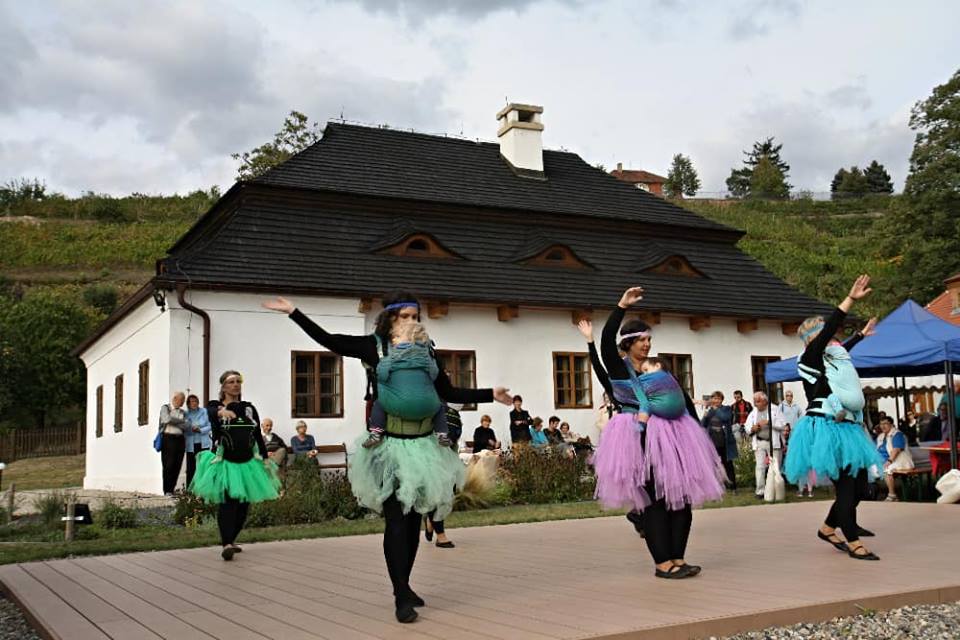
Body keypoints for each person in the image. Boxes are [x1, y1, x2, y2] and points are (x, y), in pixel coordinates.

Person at [264, 292, 511, 623]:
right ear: (391, 318)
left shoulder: (427, 350)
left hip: (423, 447)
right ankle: (400, 596)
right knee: (396, 520)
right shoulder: (374, 346)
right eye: (405, 316)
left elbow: (447, 392)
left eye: (416, 316)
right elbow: (331, 341)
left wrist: (489, 394)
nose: (412, 321)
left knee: (412, 522)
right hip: (389, 447)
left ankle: (404, 585)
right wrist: (293, 311)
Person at [594, 286, 723, 579]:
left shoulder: (656, 368)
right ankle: (662, 563)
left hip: (673, 438)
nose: (647, 344)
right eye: (642, 340)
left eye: (649, 339)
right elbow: (605, 342)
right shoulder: (618, 369)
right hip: (639, 438)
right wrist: (621, 306)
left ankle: (678, 558)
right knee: (655, 501)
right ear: (628, 343)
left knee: (680, 499)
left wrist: (698, 434)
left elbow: (682, 398)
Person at [783, 275, 884, 561]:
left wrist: (860, 336)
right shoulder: (809, 358)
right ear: (813, 339)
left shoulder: (829, 358)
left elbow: (841, 349)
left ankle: (828, 527)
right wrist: (850, 299)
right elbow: (829, 329)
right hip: (826, 427)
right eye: (825, 334)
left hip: (847, 426)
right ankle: (852, 541)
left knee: (860, 486)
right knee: (847, 487)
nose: (833, 337)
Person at [190, 370, 280, 560]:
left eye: (238, 381)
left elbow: (257, 435)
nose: (236, 384)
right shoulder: (214, 406)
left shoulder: (248, 409)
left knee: (243, 506)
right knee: (228, 502)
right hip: (225, 462)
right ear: (223, 386)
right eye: (231, 382)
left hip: (247, 462)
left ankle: (231, 539)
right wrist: (221, 411)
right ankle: (226, 544)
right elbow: (209, 411)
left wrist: (265, 458)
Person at [362, 322, 451, 449]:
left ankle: (376, 433)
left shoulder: (391, 356)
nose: (393, 339)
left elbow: (382, 375)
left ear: (406, 337)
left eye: (397, 336)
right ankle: (442, 434)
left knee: (378, 403)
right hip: (427, 407)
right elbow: (434, 374)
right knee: (440, 406)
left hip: (398, 406)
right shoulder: (427, 356)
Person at [744, 392, 786, 499]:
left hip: (773, 442)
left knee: (776, 466)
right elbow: (747, 426)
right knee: (760, 467)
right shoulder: (754, 412)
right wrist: (752, 429)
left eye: (758, 401)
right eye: (754, 401)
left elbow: (783, 425)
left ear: (765, 401)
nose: (755, 404)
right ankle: (760, 491)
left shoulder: (775, 409)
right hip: (760, 442)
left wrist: (769, 422)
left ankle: (776, 490)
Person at [701, 391, 737, 491]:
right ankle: (716, 486)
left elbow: (725, 417)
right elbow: (703, 425)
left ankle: (733, 486)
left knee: (728, 464)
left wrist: (715, 409)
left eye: (718, 398)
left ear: (722, 400)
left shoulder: (726, 409)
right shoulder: (710, 410)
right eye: (714, 398)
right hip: (712, 442)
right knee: (713, 465)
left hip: (724, 442)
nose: (716, 400)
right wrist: (705, 415)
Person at [875, 416, 914, 501]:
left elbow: (896, 450)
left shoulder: (897, 434)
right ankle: (873, 494)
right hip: (884, 461)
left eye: (885, 423)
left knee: (887, 470)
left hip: (899, 461)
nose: (882, 426)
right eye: (881, 424)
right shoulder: (881, 436)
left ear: (891, 425)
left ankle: (892, 495)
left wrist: (889, 461)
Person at [158, 392, 187, 496]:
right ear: (175, 399)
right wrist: (180, 421)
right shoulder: (166, 408)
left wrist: (175, 421)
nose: (183, 403)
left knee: (177, 465)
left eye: (183, 401)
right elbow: (166, 419)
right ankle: (167, 490)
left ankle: (172, 489)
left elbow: (187, 425)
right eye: (181, 400)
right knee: (168, 465)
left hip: (180, 439)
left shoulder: (183, 412)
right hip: (168, 438)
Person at [184, 394, 212, 489]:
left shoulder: (204, 411)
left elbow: (209, 426)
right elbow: (184, 428)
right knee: (191, 468)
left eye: (196, 401)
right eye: (192, 401)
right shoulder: (186, 414)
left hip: (203, 444)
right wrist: (191, 428)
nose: (194, 403)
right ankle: (189, 490)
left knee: (203, 466)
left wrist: (200, 430)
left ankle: (203, 489)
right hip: (191, 445)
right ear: (188, 404)